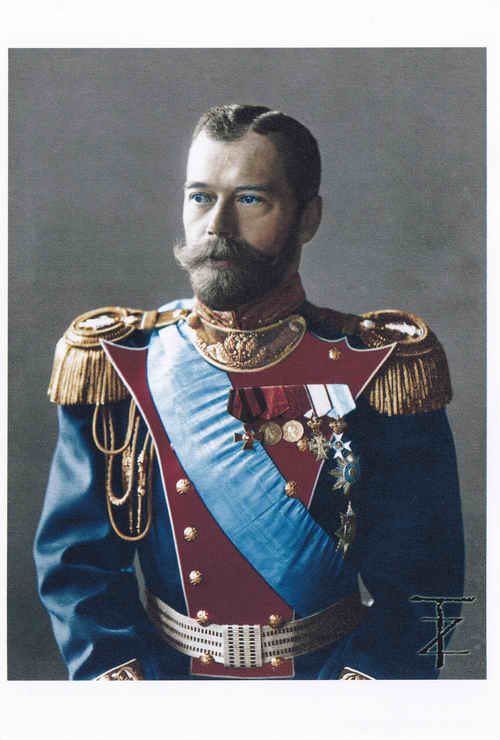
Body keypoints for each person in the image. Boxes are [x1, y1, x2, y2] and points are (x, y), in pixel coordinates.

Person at [34, 104, 464, 680]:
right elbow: (76, 571)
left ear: (308, 218)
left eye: (250, 199)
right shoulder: (122, 362)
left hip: (332, 689)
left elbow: (426, 583)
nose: (218, 226)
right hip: (162, 692)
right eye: (200, 197)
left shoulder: (379, 369)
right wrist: (130, 691)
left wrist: (361, 700)